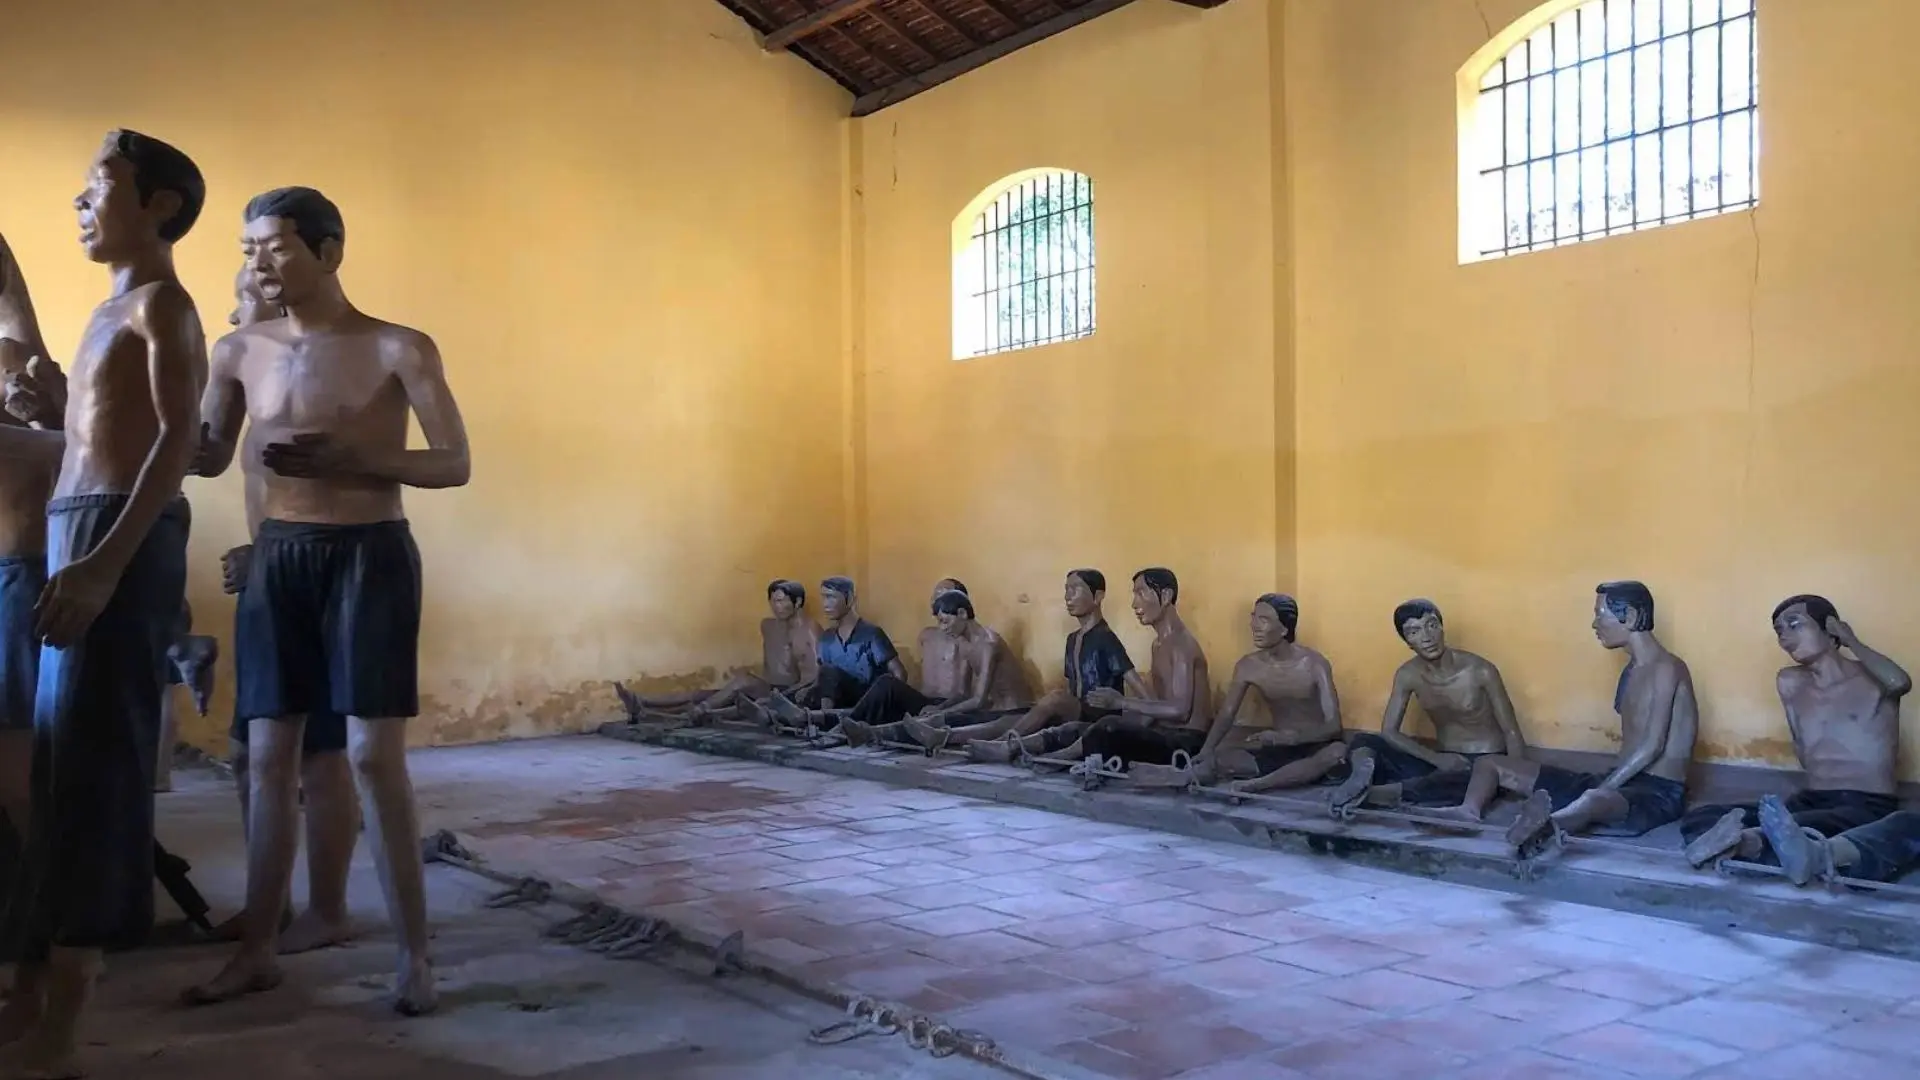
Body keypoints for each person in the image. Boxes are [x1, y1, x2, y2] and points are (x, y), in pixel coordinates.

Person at [184, 187, 470, 1015]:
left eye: (275, 246)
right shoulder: (236, 351)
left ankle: (415, 957)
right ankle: (257, 950)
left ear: (329, 251)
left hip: (369, 555)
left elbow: (453, 462)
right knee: (267, 757)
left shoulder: (396, 347)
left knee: (373, 758)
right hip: (281, 557)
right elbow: (204, 456)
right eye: (249, 248)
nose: (259, 262)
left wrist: (359, 457)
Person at [0, 130, 206, 1078]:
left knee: (90, 776)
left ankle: (63, 1025)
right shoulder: (103, 312)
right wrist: (48, 406)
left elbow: (173, 450)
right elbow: (91, 433)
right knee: (53, 766)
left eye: (100, 187)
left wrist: (101, 569)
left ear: (159, 204)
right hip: (77, 527)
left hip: (118, 535)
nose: (81, 204)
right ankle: (35, 993)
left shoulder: (165, 302)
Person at [198, 268, 359, 952]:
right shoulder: (245, 364)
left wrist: (269, 556)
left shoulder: (323, 364)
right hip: (270, 578)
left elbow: (329, 492)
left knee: (321, 754)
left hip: (315, 582)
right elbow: (207, 455)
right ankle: (272, 905)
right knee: (248, 754)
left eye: (241, 292)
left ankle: (328, 909)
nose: (230, 309)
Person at [1427, 582, 1697, 853]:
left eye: (1600, 614)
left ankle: (1550, 825)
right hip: (1615, 780)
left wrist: (1604, 786)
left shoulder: (1667, 668)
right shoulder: (1632, 670)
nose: (1594, 624)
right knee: (1490, 764)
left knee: (1594, 800)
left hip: (1656, 794)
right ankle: (1467, 812)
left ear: (1629, 616)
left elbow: (1653, 746)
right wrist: (1604, 783)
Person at [1681, 596, 1910, 867]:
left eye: (1794, 624)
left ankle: (1748, 845)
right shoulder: (1790, 682)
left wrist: (1851, 641)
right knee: (1702, 816)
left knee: (1894, 827)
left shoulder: (1875, 680)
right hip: (1811, 799)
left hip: (1865, 803)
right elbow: (1802, 742)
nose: (1785, 637)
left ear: (1830, 628)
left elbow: (1901, 681)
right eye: (1779, 631)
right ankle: (1758, 845)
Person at [1327, 599, 1527, 816]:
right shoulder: (1408, 674)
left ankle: (1375, 794)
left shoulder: (1481, 670)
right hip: (1439, 758)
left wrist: (1515, 780)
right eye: (1414, 632)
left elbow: (1511, 731)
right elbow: (1389, 731)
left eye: (1431, 626)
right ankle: (1360, 776)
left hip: (1482, 761)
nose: (1426, 637)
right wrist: (1436, 758)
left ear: (1442, 628)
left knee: (1456, 784)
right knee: (1364, 741)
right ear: (1407, 642)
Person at [1032, 568, 1210, 774]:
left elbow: (1180, 711)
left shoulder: (1181, 644)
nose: (1134, 604)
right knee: (1087, 728)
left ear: (1167, 596)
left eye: (1141, 593)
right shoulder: (1159, 644)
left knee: (1109, 726)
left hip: (1185, 742)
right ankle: (1015, 746)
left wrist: (1121, 703)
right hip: (1164, 732)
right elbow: (1157, 707)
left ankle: (1059, 760)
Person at [945, 569, 1136, 762]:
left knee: (1054, 698)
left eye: (1075, 589)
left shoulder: (1106, 639)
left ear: (1098, 596)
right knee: (1020, 717)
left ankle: (1004, 745)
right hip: (1077, 713)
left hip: (1099, 718)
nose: (1068, 596)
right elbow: (1073, 690)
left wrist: (1132, 724)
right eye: (1066, 589)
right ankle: (949, 736)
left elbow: (1141, 691)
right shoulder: (1072, 639)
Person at [0, 231, 58, 866]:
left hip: (12, 573)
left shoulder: (9, 358)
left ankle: (52, 922)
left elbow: (71, 446)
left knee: (15, 764)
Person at [1190, 594, 1346, 793]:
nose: (1254, 625)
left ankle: (1255, 785)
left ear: (1284, 629)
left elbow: (1334, 726)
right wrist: (1206, 750)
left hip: (1316, 745)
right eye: (1253, 617)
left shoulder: (1315, 664)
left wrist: (1292, 738)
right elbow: (1227, 715)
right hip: (1277, 749)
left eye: (1263, 620)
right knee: (1221, 758)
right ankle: (1287, 776)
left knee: (1336, 753)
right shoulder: (1248, 665)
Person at [842, 588, 1032, 747]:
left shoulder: (989, 644)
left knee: (940, 722)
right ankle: (865, 731)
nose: (942, 628)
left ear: (963, 614)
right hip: (989, 709)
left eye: (945, 621)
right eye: (939, 622)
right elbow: (963, 693)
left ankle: (871, 734)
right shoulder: (963, 643)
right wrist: (939, 707)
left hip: (1010, 712)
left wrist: (942, 712)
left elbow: (979, 700)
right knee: (931, 716)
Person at [618, 580, 819, 723]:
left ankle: (690, 713)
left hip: (788, 694)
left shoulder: (807, 632)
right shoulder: (767, 625)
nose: (777, 606)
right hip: (766, 687)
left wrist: (780, 700)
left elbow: (810, 680)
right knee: (708, 694)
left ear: (798, 602)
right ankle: (643, 701)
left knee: (740, 683)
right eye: (773, 601)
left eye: (783, 601)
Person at [756, 577, 903, 730]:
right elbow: (822, 678)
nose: (825, 604)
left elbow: (898, 674)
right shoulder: (827, 637)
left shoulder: (871, 633)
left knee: (828, 671)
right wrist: (808, 690)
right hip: (839, 697)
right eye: (823, 597)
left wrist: (886, 703)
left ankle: (820, 719)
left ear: (850, 599)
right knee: (802, 693)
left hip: (866, 698)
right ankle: (775, 714)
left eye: (831, 597)